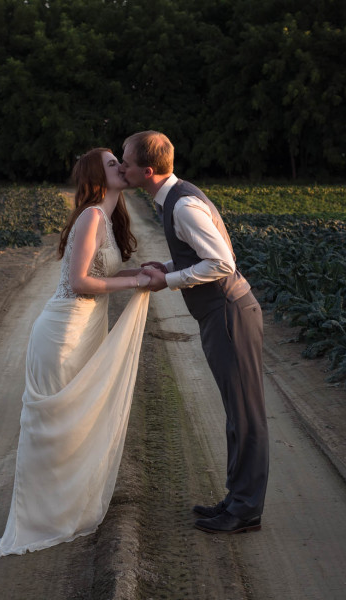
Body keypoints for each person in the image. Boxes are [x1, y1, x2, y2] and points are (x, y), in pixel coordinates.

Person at [0, 148, 150, 561]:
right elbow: (79, 282)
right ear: (96, 175)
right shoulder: (91, 216)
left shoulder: (106, 218)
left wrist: (144, 273)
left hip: (85, 329)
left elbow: (101, 274)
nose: (121, 168)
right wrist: (134, 282)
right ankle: (40, 519)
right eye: (113, 164)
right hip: (63, 334)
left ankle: (63, 510)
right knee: (53, 427)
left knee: (74, 423)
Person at [119, 131, 269, 534]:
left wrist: (166, 282)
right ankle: (237, 499)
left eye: (126, 161)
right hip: (222, 313)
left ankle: (246, 510)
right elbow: (200, 254)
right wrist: (168, 267)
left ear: (146, 171)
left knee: (245, 414)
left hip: (229, 313)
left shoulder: (182, 204)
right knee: (236, 414)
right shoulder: (175, 198)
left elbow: (222, 262)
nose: (121, 166)